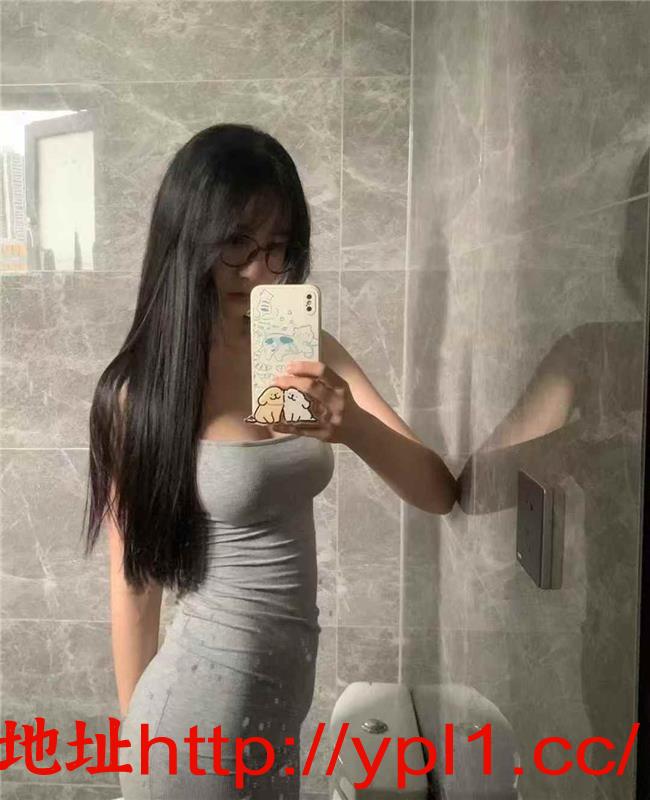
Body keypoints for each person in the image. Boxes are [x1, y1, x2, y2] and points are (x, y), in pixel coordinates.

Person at [82, 122, 458, 799]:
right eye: (237, 244)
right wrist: (138, 751)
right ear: (188, 239)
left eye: (279, 246)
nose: (261, 271)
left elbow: (438, 491)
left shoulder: (306, 348)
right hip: (192, 722)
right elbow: (134, 588)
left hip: (276, 714)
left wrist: (352, 428)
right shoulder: (138, 393)